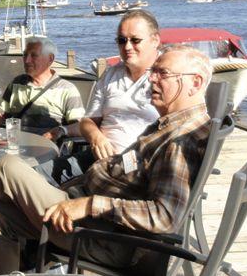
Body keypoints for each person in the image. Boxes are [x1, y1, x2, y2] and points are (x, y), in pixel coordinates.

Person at [0, 46, 213, 276]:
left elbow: (165, 215)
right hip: (84, 210)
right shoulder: (169, 125)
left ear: (195, 83)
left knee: (8, 167)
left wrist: (89, 205)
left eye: (163, 73)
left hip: (104, 236)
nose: (152, 79)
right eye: (153, 71)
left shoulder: (182, 139)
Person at [43, 10, 162, 181]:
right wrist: (96, 137)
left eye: (135, 40)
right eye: (122, 40)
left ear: (155, 40)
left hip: (140, 170)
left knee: (50, 196)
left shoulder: (168, 76)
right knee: (24, 178)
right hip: (97, 159)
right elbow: (88, 121)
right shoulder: (110, 75)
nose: (127, 47)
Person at [0, 38, 84, 133]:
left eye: (34, 55)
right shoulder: (16, 83)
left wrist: (60, 131)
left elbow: (80, 127)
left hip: (46, 145)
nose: (27, 60)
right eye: (25, 55)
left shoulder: (67, 89)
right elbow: (2, 114)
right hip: (15, 143)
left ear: (50, 59)